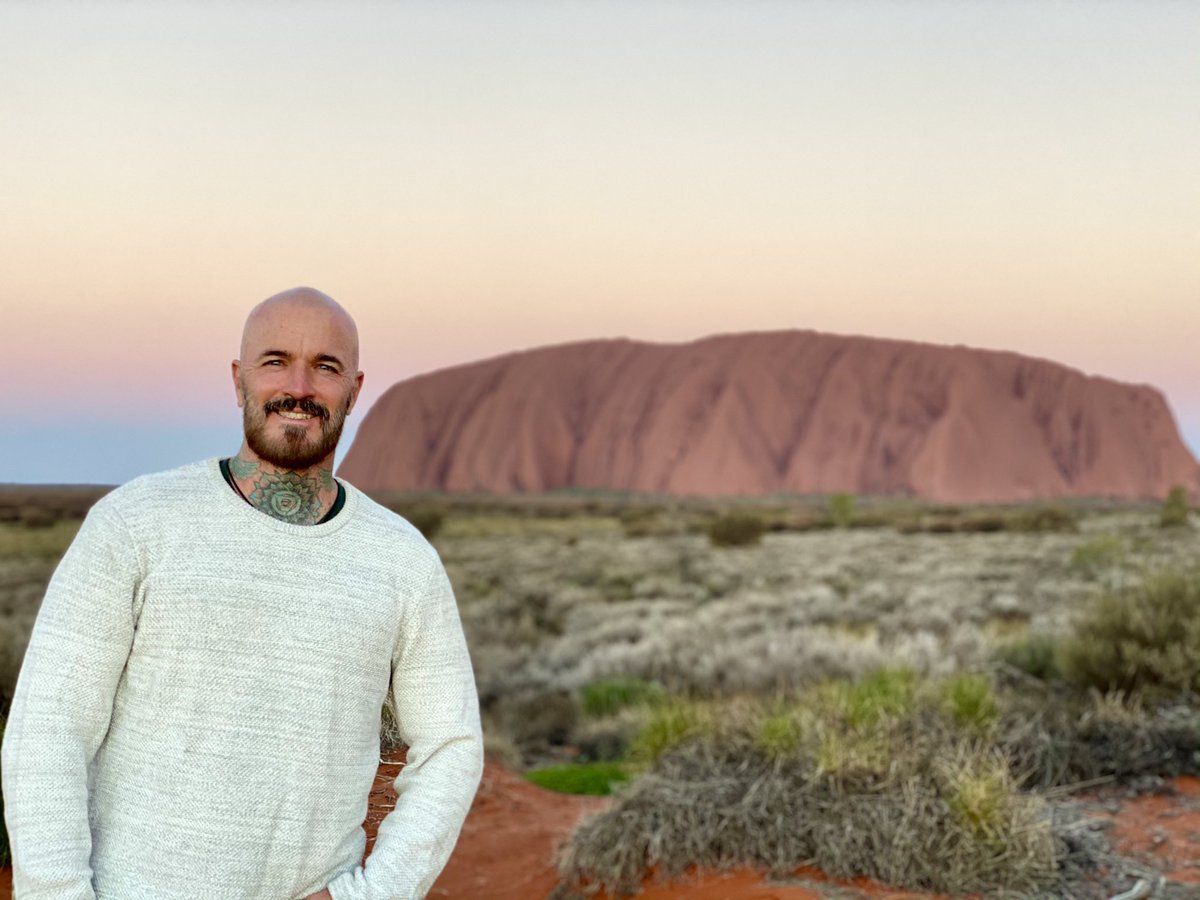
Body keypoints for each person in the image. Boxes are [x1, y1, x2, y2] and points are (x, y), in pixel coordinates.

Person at [2, 287, 483, 899]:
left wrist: (372, 894)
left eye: (326, 366)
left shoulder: (403, 560)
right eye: (276, 360)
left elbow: (452, 744)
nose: (300, 386)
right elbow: (49, 727)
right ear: (239, 380)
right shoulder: (134, 523)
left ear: (356, 389)